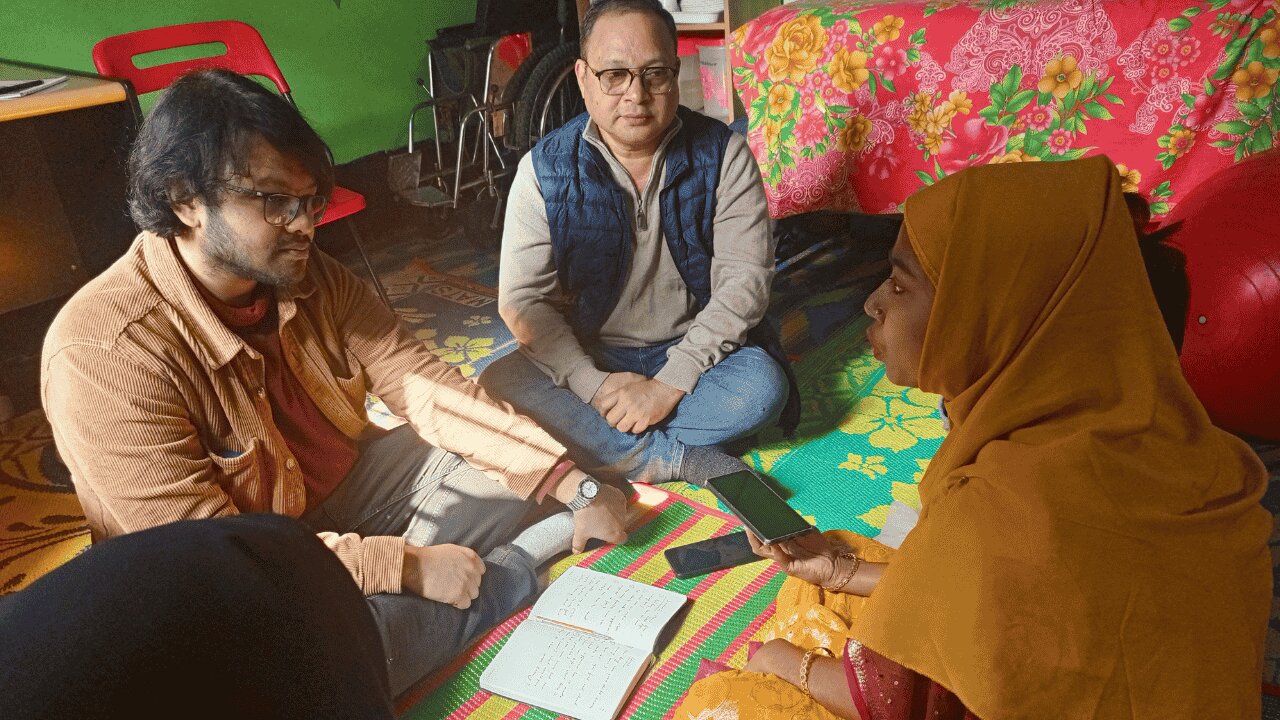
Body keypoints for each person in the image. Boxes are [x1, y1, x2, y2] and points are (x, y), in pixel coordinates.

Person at [40, 68, 629, 697]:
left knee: (523, 462)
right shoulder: (103, 355)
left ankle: (455, 585)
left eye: (310, 201)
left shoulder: (305, 274)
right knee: (310, 677)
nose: (303, 225)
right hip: (226, 580)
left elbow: (427, 387)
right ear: (184, 198)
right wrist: (402, 566)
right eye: (273, 202)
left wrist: (574, 483)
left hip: (348, 497)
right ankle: (508, 577)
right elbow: (212, 566)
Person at [672, 156, 1271, 719]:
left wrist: (783, 664)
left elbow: (900, 702)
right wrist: (838, 572)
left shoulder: (1005, 502)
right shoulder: (1180, 444)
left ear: (992, 312)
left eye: (901, 286)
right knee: (844, 567)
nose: (872, 304)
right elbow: (1017, 606)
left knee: (728, 699)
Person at [477, 0, 797, 488]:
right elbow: (524, 302)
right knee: (499, 384)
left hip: (698, 350)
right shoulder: (543, 171)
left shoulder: (725, 154)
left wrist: (669, 384)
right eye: (615, 75)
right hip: (593, 354)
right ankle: (677, 460)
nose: (636, 95)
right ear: (584, 78)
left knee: (760, 390)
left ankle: (607, 444)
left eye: (654, 74)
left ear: (676, 72)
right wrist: (594, 384)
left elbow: (744, 284)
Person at [0, 514, 395, 720]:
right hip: (276, 607)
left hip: (286, 568)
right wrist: (400, 565)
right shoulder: (103, 369)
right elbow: (245, 561)